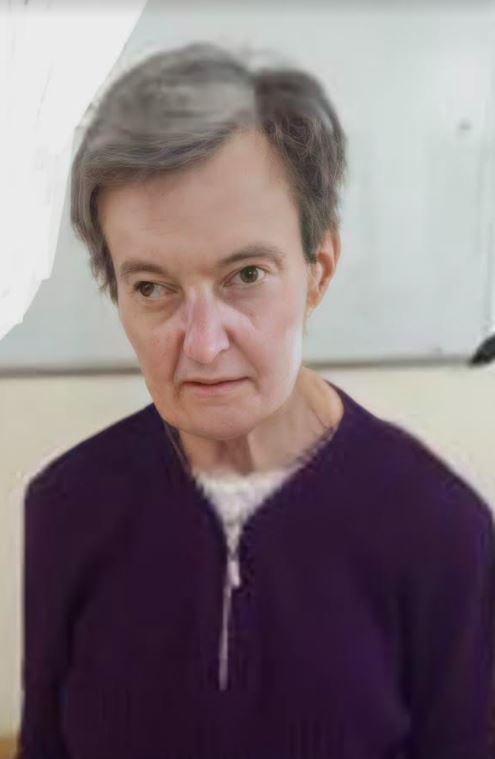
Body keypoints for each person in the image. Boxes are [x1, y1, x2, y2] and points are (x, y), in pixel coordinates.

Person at [15, 41, 495, 759]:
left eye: (244, 275)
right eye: (152, 287)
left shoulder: (441, 529)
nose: (203, 344)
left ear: (317, 268)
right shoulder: (66, 505)